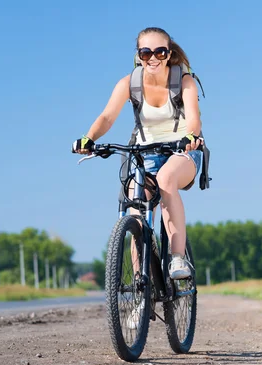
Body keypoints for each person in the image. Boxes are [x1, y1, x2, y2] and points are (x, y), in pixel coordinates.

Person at [72, 27, 204, 280]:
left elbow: (194, 120)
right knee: (136, 209)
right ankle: (139, 288)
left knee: (166, 181)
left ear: (168, 54)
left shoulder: (183, 81)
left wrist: (191, 137)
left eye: (159, 52)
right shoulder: (129, 83)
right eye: (146, 53)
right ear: (138, 55)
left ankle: (177, 259)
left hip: (183, 150)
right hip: (146, 152)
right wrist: (89, 138)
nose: (152, 58)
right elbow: (107, 116)